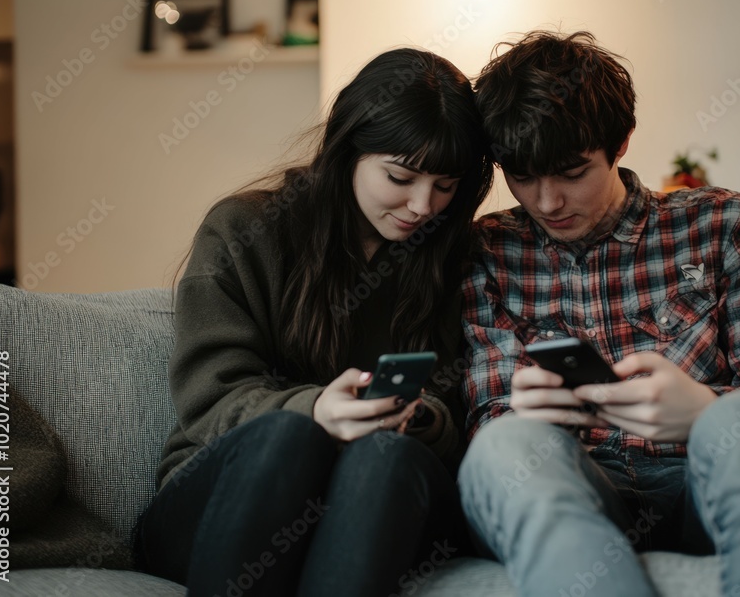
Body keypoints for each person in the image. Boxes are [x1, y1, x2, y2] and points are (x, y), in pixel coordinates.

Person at [457, 31, 740, 596]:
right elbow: (489, 414)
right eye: (521, 177)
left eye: (572, 173)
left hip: (703, 481)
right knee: (503, 446)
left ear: (620, 144)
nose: (547, 202)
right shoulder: (486, 252)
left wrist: (705, 411)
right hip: (574, 488)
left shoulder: (723, 225)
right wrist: (526, 414)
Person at [134, 47, 493, 596]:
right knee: (288, 434)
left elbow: (465, 409)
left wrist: (420, 418)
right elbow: (211, 397)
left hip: (377, 493)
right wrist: (318, 410)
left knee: (384, 455)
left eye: (445, 186)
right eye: (400, 176)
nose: (424, 205)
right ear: (347, 148)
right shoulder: (245, 231)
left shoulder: (451, 256)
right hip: (228, 495)